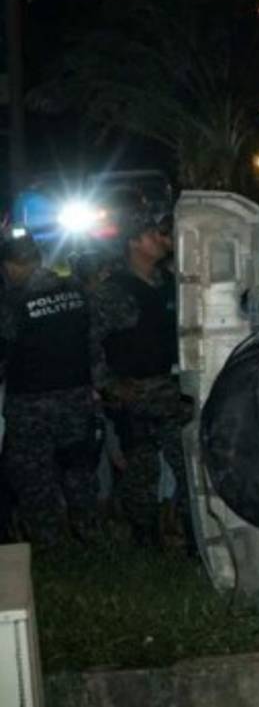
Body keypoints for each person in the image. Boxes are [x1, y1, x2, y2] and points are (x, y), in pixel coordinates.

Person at [94, 211, 190, 549]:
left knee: (188, 464)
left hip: (173, 389)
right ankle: (146, 540)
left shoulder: (170, 283)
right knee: (140, 472)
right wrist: (108, 385)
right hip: (135, 394)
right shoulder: (113, 291)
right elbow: (90, 344)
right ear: (133, 242)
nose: (161, 239)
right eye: (151, 233)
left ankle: (191, 534)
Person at [0, 233, 103, 545]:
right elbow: (93, 342)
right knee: (79, 468)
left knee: (33, 474)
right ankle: (89, 535)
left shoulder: (13, 302)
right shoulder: (75, 291)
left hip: (31, 404)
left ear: (11, 266)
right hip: (77, 397)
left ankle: (50, 543)